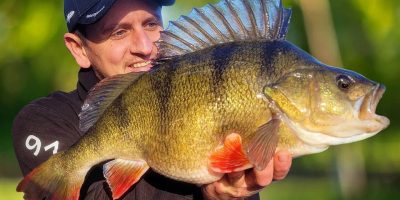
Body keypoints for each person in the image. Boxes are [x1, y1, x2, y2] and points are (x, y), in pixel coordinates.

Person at [12, 0, 292, 199]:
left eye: (151, 24)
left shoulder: (194, 100)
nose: (145, 48)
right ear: (79, 49)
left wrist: (234, 193)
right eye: (119, 32)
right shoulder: (43, 119)